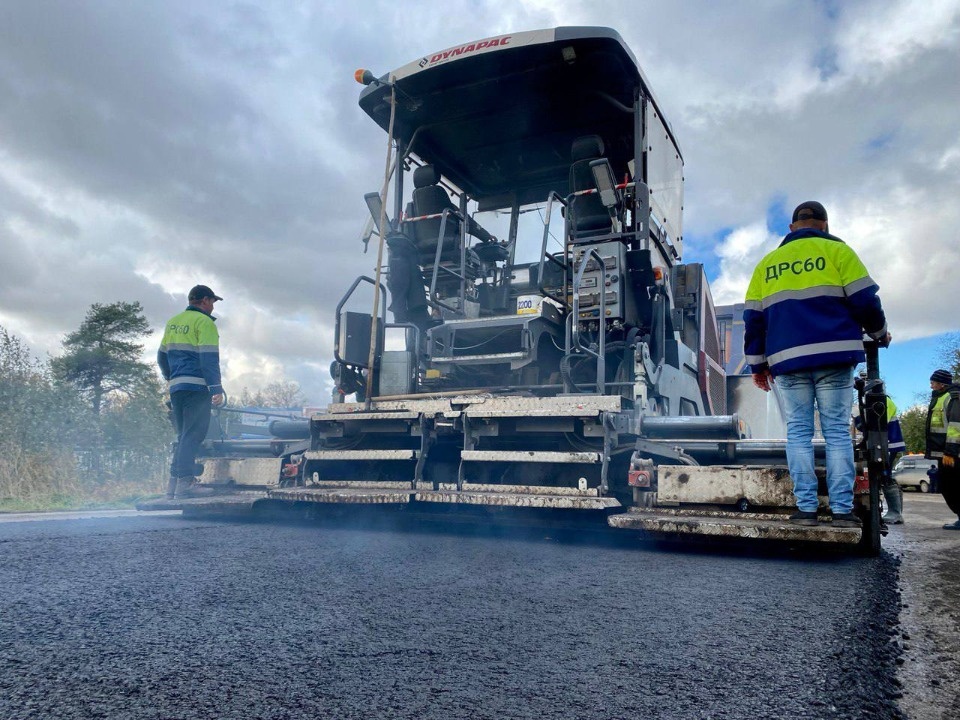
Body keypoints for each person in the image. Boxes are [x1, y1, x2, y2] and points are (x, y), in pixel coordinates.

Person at [743, 201, 889, 528]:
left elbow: (753, 320)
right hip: (835, 356)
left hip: (788, 361)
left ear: (792, 228)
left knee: (798, 433)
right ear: (824, 224)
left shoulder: (768, 264)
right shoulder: (840, 253)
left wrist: (757, 366)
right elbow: (866, 300)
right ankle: (841, 512)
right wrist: (879, 332)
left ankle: (806, 509)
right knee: (837, 433)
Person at [157, 285, 226, 499]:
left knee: (183, 434)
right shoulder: (204, 322)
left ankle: (173, 484)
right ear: (205, 301)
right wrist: (216, 388)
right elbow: (208, 358)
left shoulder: (173, 322)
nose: (213, 307)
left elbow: (161, 356)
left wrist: (172, 377)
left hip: (177, 387)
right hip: (197, 387)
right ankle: (186, 484)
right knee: (194, 434)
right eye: (213, 302)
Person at [924, 369, 960, 530]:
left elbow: (955, 426)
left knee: (951, 485)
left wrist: (951, 451)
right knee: (947, 486)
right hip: (944, 453)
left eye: (933, 383)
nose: (931, 386)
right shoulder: (941, 398)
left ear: (941, 384)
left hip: (951, 454)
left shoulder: (952, 398)